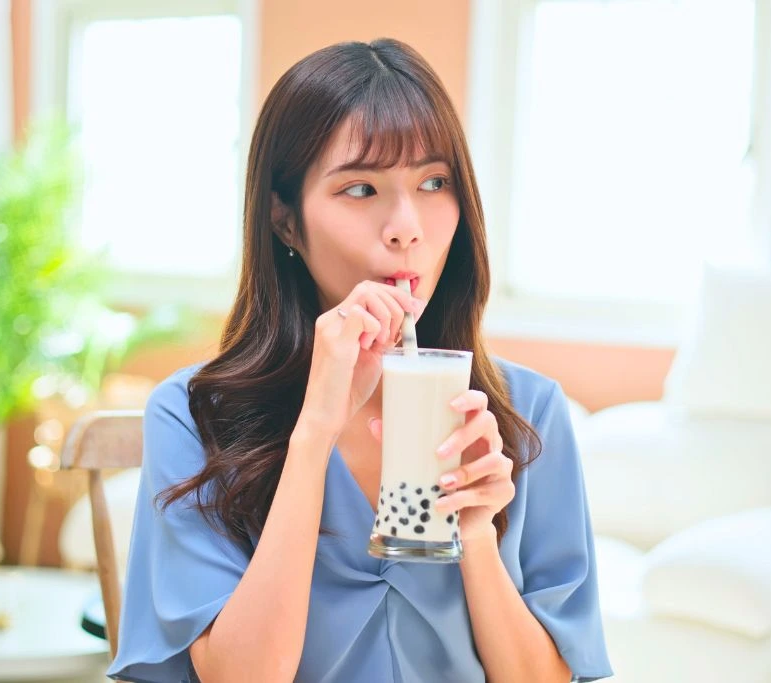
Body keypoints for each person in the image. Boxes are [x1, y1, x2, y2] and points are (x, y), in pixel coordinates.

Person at [108, 38, 612, 683]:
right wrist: (314, 432)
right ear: (285, 222)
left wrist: (480, 534)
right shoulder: (193, 414)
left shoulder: (528, 413)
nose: (407, 226)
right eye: (361, 188)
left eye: (434, 182)